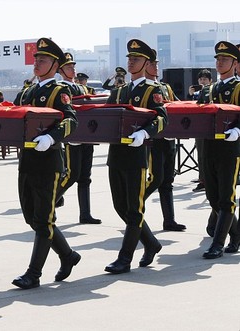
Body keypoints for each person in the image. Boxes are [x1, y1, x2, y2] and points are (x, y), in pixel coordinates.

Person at [10, 38, 80, 290]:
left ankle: (34, 273)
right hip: (27, 160)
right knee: (33, 217)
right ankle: (68, 255)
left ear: (55, 64)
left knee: (43, 218)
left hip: (48, 161)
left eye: (43, 60)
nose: (37, 63)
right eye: (36, 59)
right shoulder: (28, 91)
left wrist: (51, 137)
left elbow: (72, 121)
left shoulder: (59, 91)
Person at [104, 39, 167, 274]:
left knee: (134, 209)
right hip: (116, 155)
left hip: (137, 156)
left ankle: (125, 259)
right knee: (120, 206)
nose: (131, 62)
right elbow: (106, 118)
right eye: (130, 58)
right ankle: (151, 243)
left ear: (147, 63)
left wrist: (145, 132)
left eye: (136, 59)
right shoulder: (119, 91)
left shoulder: (153, 90)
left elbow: (162, 118)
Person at [196, 41, 240, 258]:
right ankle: (237, 234)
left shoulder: (239, 87)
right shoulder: (208, 90)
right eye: (218, 59)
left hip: (230, 149)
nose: (220, 62)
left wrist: (238, 130)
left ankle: (217, 244)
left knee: (226, 197)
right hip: (209, 147)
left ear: (234, 63)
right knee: (213, 197)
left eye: (224, 59)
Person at [55, 52, 101, 224]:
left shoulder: (81, 88)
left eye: (73, 66)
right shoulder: (61, 88)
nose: (72, 69)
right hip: (73, 136)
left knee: (85, 177)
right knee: (71, 175)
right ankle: (51, 203)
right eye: (68, 67)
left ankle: (85, 213)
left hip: (87, 135)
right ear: (60, 70)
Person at [143, 49, 187, 231]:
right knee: (155, 179)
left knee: (167, 181)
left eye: (157, 63)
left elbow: (176, 105)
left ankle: (169, 220)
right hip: (154, 141)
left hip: (168, 139)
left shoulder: (165, 87)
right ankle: (132, 210)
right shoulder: (143, 89)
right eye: (153, 64)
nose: (156, 67)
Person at [189, 69, 214, 193]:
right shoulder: (200, 92)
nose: (202, 81)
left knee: (207, 156)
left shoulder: (213, 90)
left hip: (210, 127)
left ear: (210, 80)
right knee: (201, 155)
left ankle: (206, 180)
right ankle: (202, 178)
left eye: (205, 79)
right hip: (200, 127)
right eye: (201, 79)